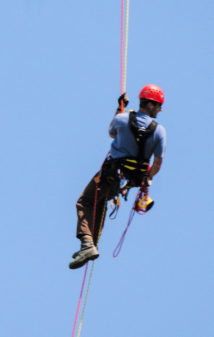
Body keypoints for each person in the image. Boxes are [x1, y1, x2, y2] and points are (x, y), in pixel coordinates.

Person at [69, 84, 165, 269]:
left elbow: (112, 133)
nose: (160, 109)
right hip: (128, 181)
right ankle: (91, 245)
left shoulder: (121, 119)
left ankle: (88, 245)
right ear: (151, 105)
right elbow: (158, 164)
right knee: (99, 201)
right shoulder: (159, 131)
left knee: (85, 202)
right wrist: (148, 178)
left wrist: (119, 108)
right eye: (159, 105)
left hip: (111, 173)